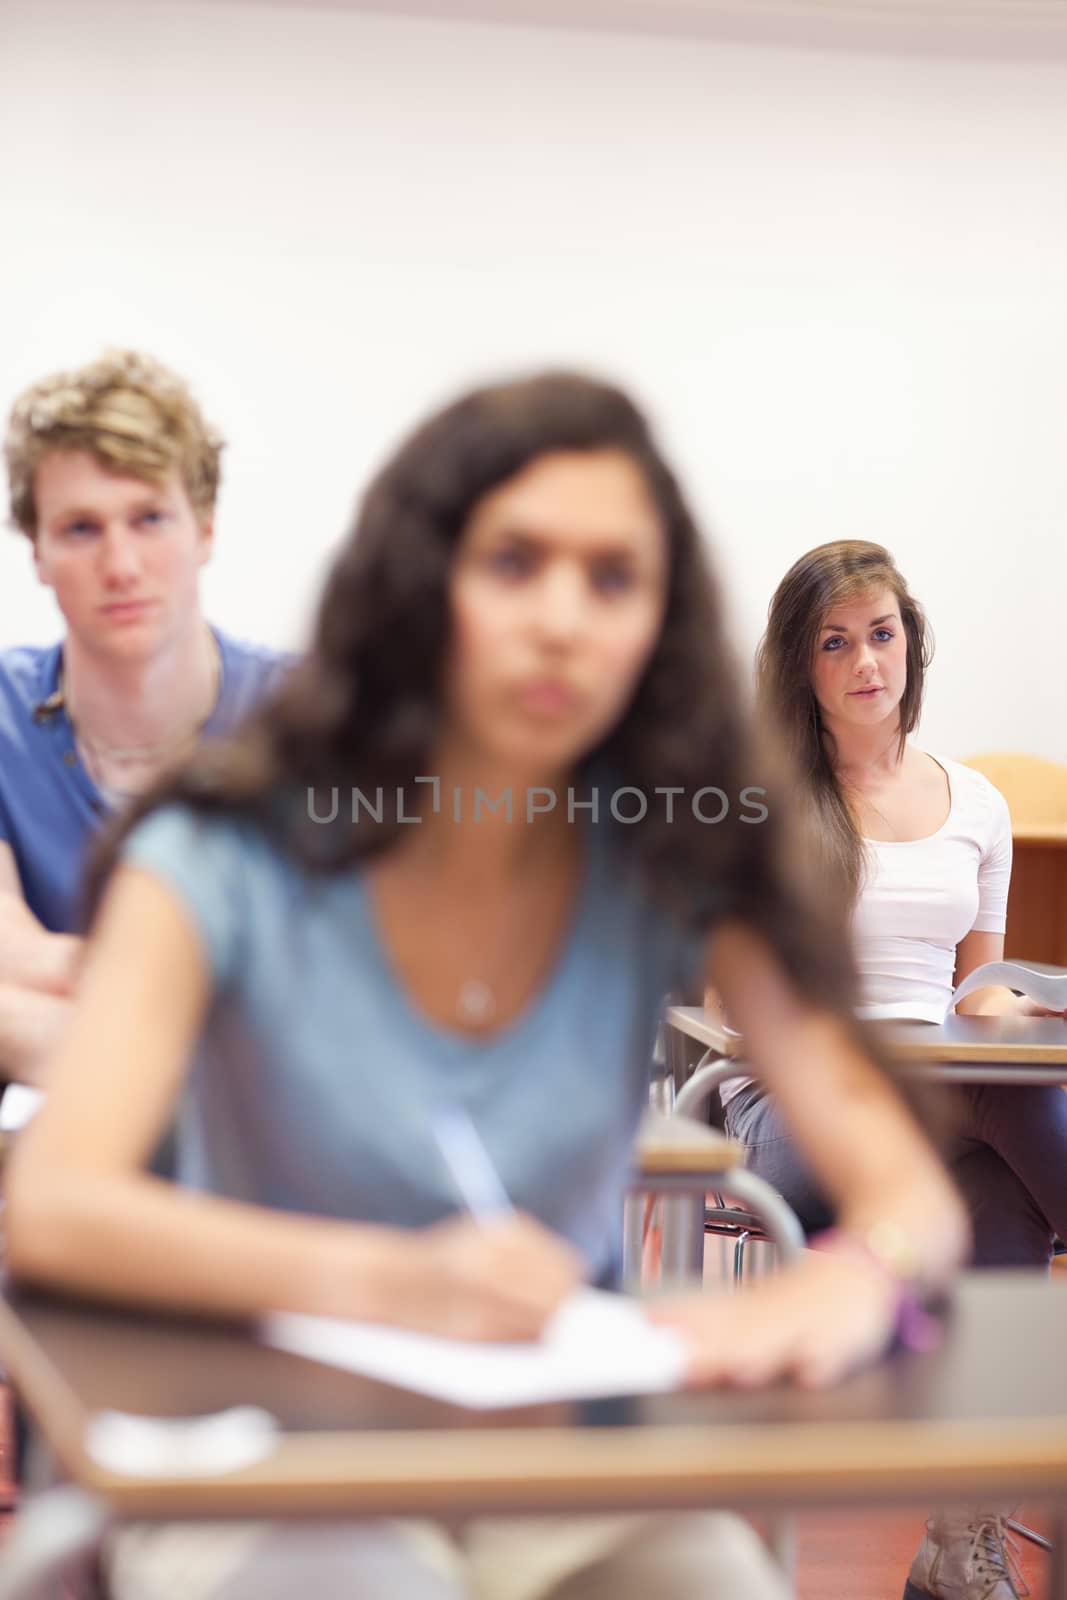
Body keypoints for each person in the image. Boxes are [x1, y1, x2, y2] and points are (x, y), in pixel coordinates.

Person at [5, 378, 967, 1600]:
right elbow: (55, 1204)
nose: (563, 617)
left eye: (611, 578)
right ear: (418, 589)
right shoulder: (218, 850)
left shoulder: (668, 849)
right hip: (268, 1455)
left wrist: (857, 1271)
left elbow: (906, 1194)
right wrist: (393, 1283)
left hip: (552, 1465)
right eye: (514, 562)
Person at [721, 538, 1067, 1600]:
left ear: (909, 645)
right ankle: (959, 1536)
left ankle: (959, 1543)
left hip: (950, 1100)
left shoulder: (974, 805)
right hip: (796, 1108)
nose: (865, 661)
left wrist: (1007, 1005)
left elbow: (979, 986)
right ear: (802, 666)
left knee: (995, 1164)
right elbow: (745, 1005)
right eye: (834, 643)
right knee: (992, 1110)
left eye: (880, 635)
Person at [0, 349, 288, 1086]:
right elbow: (13, 951)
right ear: (37, 552)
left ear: (206, 531)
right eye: (81, 529)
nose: (121, 565)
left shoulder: (304, 717)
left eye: (149, 519)